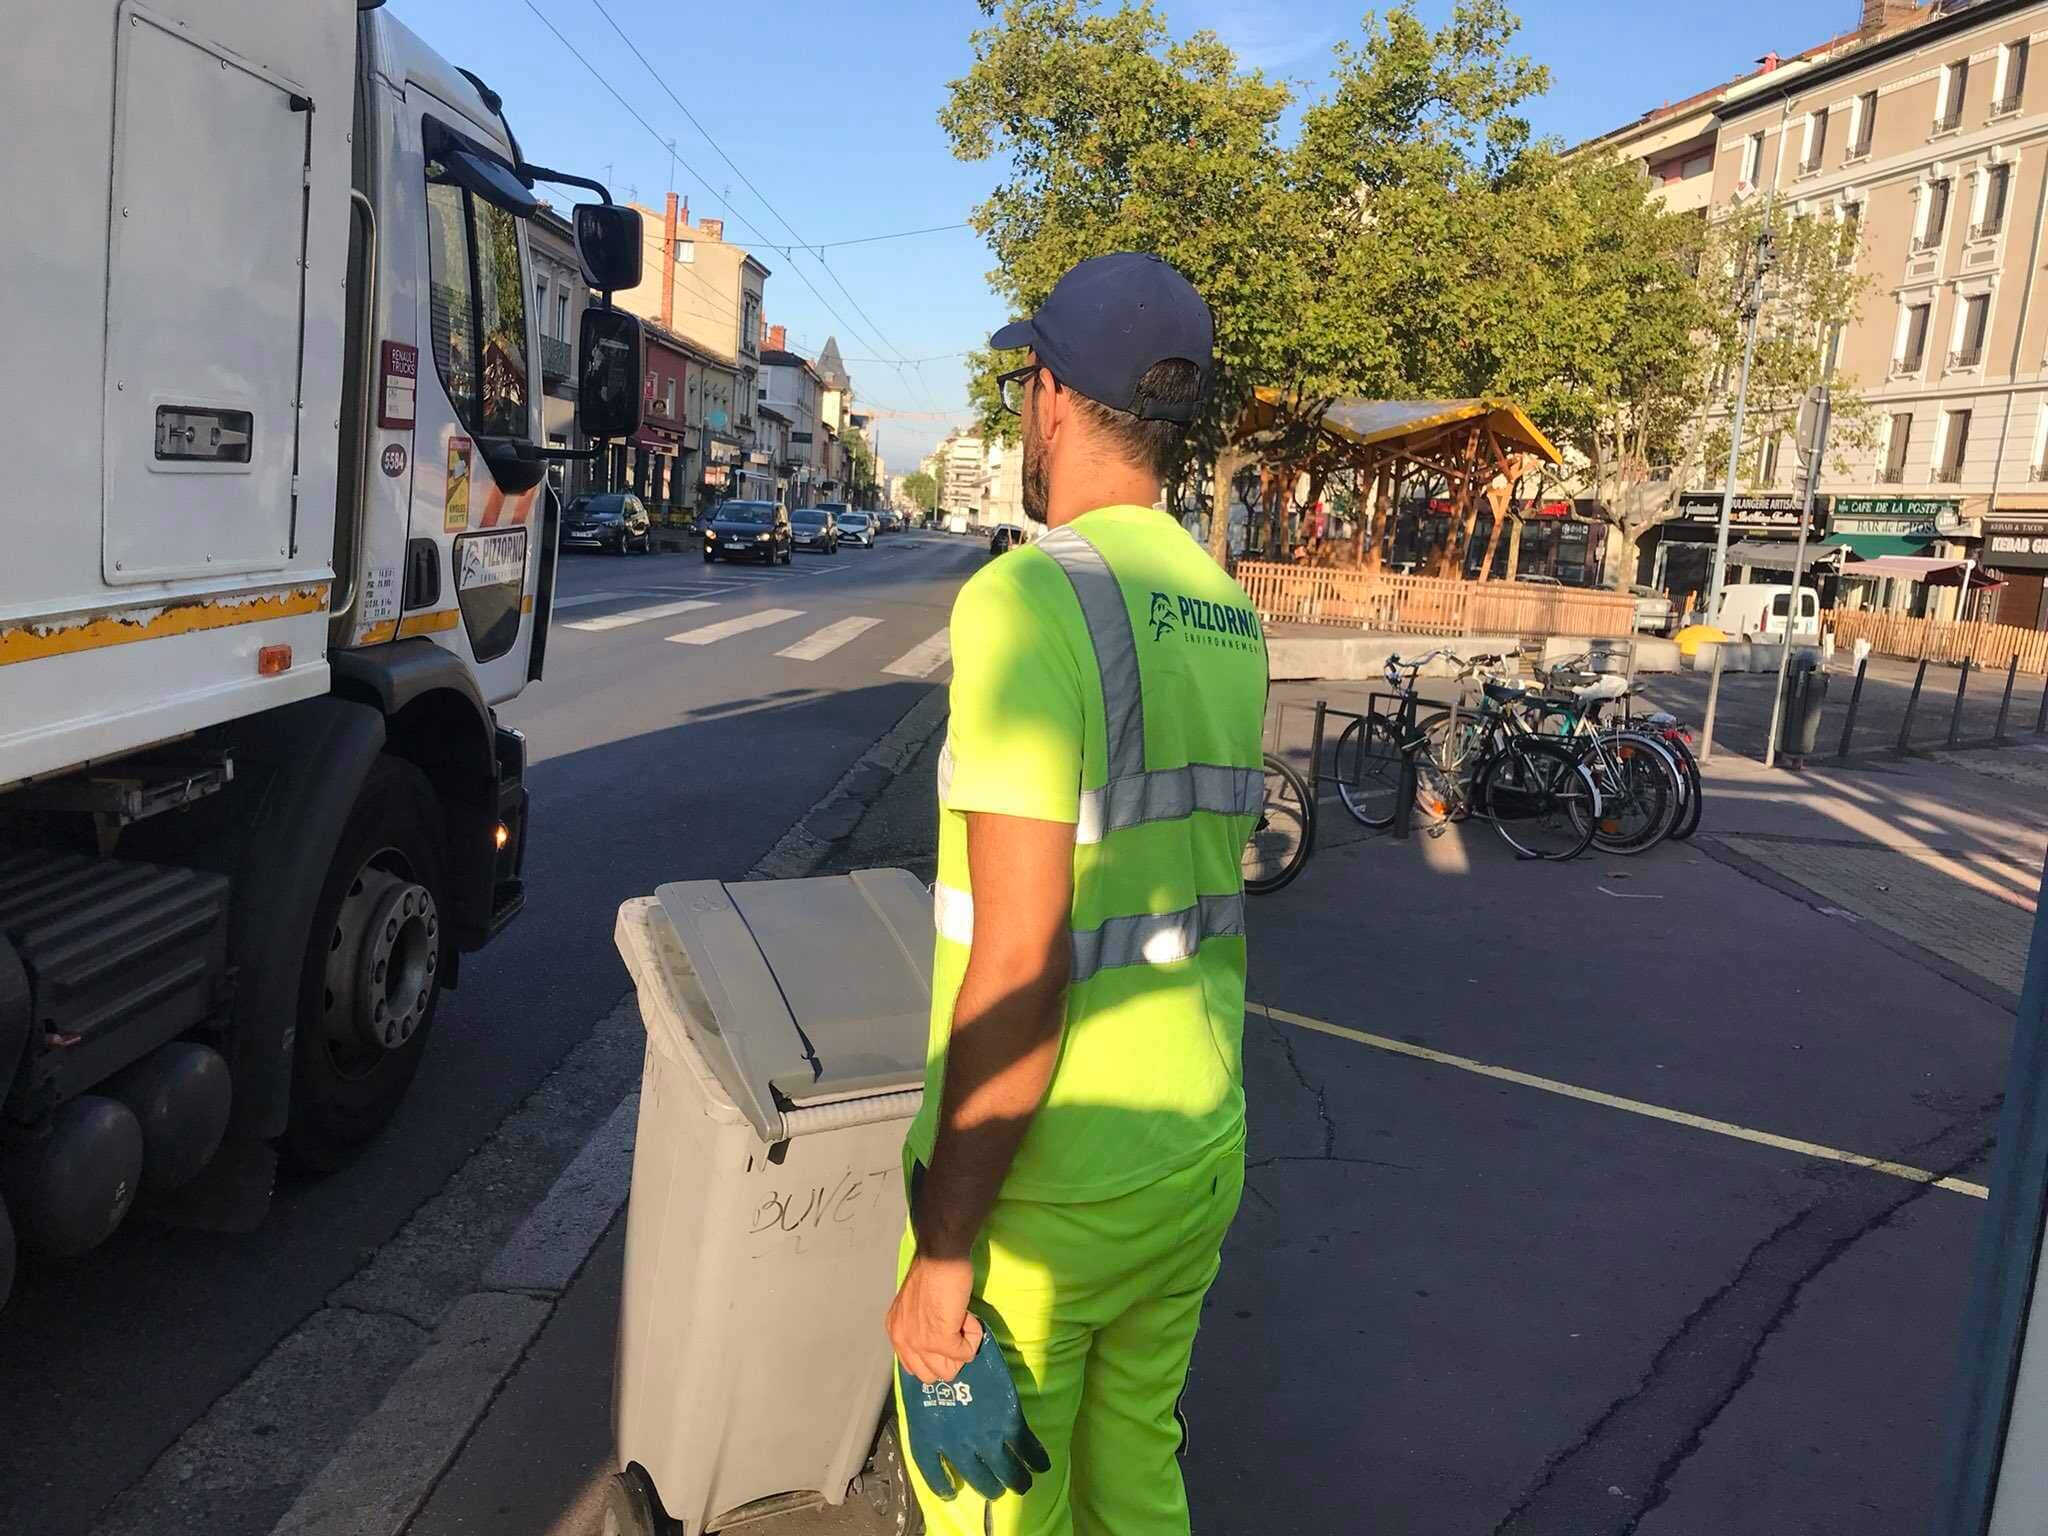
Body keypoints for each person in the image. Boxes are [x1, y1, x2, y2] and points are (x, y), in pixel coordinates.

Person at [884, 252, 1269, 1535]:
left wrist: (944, 1254)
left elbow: (1023, 957)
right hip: (1193, 1143)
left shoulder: (1027, 600)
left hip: (1047, 1192)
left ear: (1046, 397)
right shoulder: (1226, 608)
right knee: (1134, 1480)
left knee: (996, 1505)